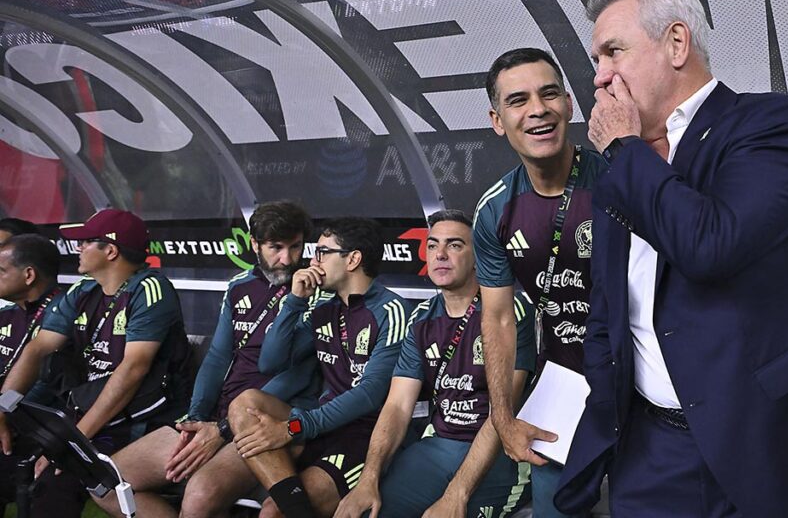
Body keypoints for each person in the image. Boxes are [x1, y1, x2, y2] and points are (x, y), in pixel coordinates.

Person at [554, 0, 788, 517]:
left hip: (773, 446)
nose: (599, 78)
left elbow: (710, 245)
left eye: (613, 52)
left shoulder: (769, 124)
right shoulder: (620, 164)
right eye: (595, 60)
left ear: (677, 43)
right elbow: (608, 304)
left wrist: (623, 145)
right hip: (653, 455)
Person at [92, 201, 318, 518]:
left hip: (268, 422)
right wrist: (197, 419)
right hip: (216, 416)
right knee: (105, 484)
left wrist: (223, 429)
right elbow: (216, 357)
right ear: (254, 244)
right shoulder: (240, 286)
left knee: (198, 499)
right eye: (275, 247)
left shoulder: (316, 294)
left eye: (295, 247)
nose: (287, 259)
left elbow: (297, 373)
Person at [473, 48, 603, 518]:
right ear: (496, 119)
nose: (537, 110)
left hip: (643, 385)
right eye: (518, 100)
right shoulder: (494, 211)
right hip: (563, 384)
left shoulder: (619, 178)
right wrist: (503, 418)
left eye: (549, 94)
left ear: (569, 103)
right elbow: (499, 317)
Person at [336, 209, 533, 518]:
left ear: (478, 256)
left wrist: (457, 494)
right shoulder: (421, 317)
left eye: (455, 245)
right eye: (432, 245)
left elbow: (501, 414)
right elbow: (398, 406)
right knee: (364, 511)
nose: (440, 254)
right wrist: (367, 480)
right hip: (439, 445)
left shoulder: (510, 309)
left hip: (500, 453)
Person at [0, 208, 191, 517]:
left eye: (86, 242)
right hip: (89, 413)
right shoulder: (83, 290)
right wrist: (3, 410)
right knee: (18, 465)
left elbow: (131, 372)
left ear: (111, 251)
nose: (77, 248)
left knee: (55, 485)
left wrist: (71, 442)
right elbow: (38, 349)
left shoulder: (150, 289)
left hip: (141, 419)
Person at [228, 217, 412, 518]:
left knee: (273, 512)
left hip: (364, 434)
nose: (313, 261)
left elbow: (371, 394)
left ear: (352, 259)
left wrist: (295, 427)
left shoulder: (391, 310)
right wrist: (295, 299)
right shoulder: (321, 304)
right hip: (320, 423)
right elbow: (270, 362)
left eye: (322, 252)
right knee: (244, 404)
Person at [0, 234, 64, 509]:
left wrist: (6, 413)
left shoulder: (62, 317)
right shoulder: (7, 315)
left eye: (1, 270)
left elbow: (48, 386)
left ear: (29, 275)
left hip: (37, 430)